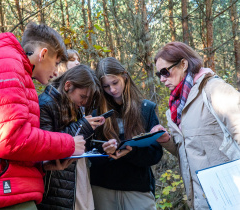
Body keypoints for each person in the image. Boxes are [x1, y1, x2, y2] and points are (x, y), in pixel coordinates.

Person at [0, 22, 86, 210]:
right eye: (56, 63)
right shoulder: (5, 65)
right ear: (43, 54)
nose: (56, 72)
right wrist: (69, 144)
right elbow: (10, 139)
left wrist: (42, 164)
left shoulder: (8, 65)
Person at [152, 41, 240, 209]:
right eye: (159, 75)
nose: (162, 79)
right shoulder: (174, 109)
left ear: (183, 64)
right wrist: (166, 140)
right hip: (202, 199)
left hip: (231, 195)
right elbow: (185, 152)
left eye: (165, 72)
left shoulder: (214, 90)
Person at [37, 65, 117, 210]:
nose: (84, 103)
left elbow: (81, 145)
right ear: (68, 85)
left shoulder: (74, 105)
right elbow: (45, 147)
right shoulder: (45, 104)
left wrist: (102, 147)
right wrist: (82, 126)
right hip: (55, 186)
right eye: (83, 97)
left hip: (78, 179)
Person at [89, 57, 163, 210]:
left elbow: (155, 154)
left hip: (138, 189)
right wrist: (105, 151)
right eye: (106, 86)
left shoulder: (146, 109)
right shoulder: (96, 113)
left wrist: (131, 151)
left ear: (124, 75)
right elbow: (88, 152)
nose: (112, 90)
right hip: (103, 189)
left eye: (115, 83)